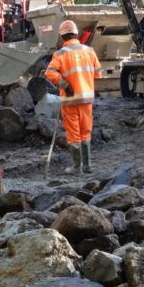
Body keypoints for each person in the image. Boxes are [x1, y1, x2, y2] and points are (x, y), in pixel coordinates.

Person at [43, 19, 100, 174]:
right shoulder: (89, 51)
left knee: (73, 133)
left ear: (62, 37)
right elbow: (98, 74)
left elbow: (49, 72)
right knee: (85, 131)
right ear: (76, 34)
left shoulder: (60, 54)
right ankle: (87, 166)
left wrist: (64, 84)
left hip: (69, 100)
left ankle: (76, 167)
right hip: (86, 99)